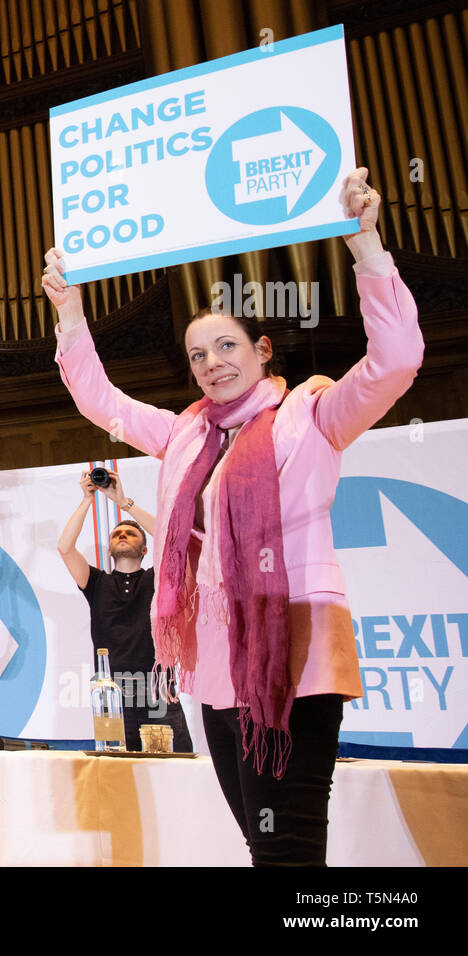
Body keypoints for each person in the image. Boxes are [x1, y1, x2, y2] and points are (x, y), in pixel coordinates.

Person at [42, 167, 422, 866]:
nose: (211, 363)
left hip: (294, 644)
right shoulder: (184, 431)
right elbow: (102, 401)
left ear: (261, 351)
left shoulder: (312, 413)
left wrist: (366, 244)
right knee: (259, 841)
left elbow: (398, 359)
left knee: (289, 851)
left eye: (225, 347)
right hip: (216, 659)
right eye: (197, 355)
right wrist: (70, 309)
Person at [57, 469, 193, 752]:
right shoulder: (96, 583)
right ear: (109, 549)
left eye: (130, 533)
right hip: (114, 698)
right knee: (119, 778)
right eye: (117, 533)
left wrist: (122, 502)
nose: (122, 535)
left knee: (175, 774)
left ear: (144, 550)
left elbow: (175, 540)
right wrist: (87, 499)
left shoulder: (158, 578)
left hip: (159, 695)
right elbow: (65, 547)